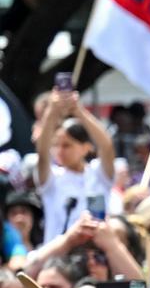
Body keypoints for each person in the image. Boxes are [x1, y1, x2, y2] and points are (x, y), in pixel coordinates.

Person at [34, 89, 118, 241]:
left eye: (67, 145)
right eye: (56, 145)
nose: (60, 151)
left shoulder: (98, 173)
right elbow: (42, 153)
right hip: (60, 258)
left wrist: (78, 110)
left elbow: (107, 146)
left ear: (86, 147)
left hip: (96, 256)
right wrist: (52, 111)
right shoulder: (52, 179)